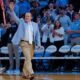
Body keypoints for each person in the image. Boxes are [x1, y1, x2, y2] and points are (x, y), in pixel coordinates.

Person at [9, 1, 41, 79]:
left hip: (32, 44)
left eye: (28, 16)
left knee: (28, 59)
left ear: (31, 17)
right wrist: (12, 11)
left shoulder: (35, 25)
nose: (26, 17)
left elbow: (37, 35)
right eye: (26, 16)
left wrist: (39, 44)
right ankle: (31, 73)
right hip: (24, 43)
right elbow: (15, 18)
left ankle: (24, 73)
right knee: (27, 57)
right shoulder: (21, 22)